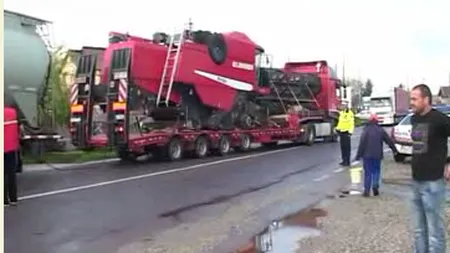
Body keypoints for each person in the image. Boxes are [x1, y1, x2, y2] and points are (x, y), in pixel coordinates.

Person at [409, 84, 450, 253]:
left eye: (414, 99)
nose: (411, 102)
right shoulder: (414, 119)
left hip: (433, 182)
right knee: (419, 230)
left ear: (426, 100)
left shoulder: (440, 120)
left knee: (435, 231)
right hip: (416, 180)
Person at [354, 113, 398, 197]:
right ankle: (375, 185)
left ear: (369, 121)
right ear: (377, 121)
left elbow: (362, 144)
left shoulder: (365, 130)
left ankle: (367, 190)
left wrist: (358, 155)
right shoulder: (380, 130)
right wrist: (394, 150)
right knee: (376, 171)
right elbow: (389, 141)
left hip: (366, 155)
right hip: (377, 155)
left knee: (368, 172)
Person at [4, 108, 19, 206]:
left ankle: (4, 200)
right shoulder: (12, 112)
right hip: (11, 148)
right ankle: (13, 199)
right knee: (11, 174)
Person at [335, 102, 355, 166]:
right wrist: (337, 129)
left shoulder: (349, 113)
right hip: (342, 132)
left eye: (343, 105)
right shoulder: (342, 113)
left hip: (347, 132)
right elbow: (340, 123)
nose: (342, 106)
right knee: (343, 147)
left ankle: (347, 161)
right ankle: (344, 160)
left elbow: (351, 123)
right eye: (342, 105)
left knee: (347, 148)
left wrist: (350, 132)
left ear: (346, 106)